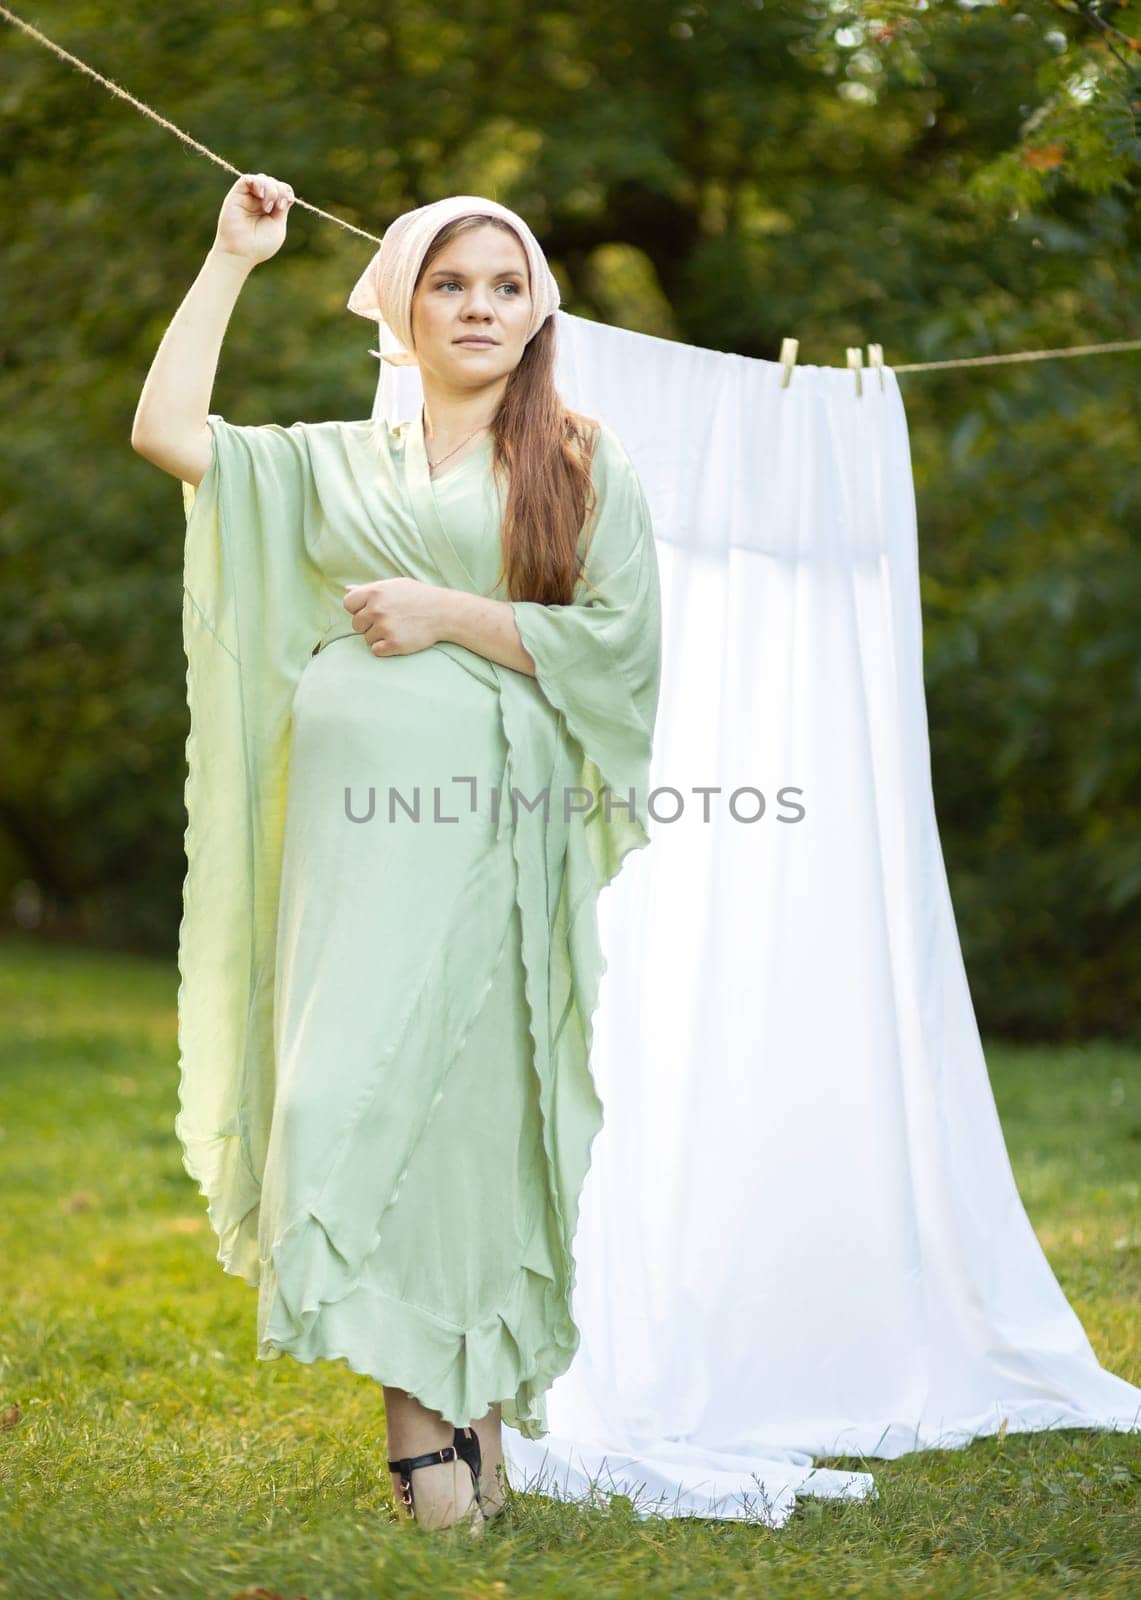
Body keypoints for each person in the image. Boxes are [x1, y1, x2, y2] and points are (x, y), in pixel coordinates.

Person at [131, 173, 663, 1534]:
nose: (479, 306)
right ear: (400, 303)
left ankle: (439, 1441)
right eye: (449, 282)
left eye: (504, 283)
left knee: (464, 1119)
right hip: (345, 848)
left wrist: (449, 612)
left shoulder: (579, 461)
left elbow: (619, 650)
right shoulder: (333, 460)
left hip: (490, 828)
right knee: (342, 1105)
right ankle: (447, 1434)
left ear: (537, 306)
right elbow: (166, 430)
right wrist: (230, 259)